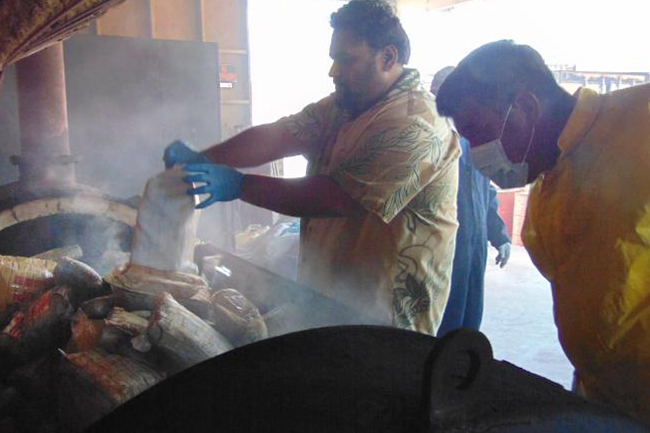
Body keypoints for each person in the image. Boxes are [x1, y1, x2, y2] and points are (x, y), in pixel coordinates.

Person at [164, 0, 460, 335]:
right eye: (333, 58)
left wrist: (238, 185)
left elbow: (335, 197)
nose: (333, 71)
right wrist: (206, 158)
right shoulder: (345, 106)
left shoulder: (416, 124)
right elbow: (280, 135)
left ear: (388, 58)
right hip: (328, 297)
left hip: (386, 317)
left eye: (346, 59)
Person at [435, 39, 650, 424]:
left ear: (527, 107)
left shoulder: (641, 124)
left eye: (478, 132)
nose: (477, 151)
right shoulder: (546, 190)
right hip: (603, 399)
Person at [429, 66, 511, 336]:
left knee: (469, 317)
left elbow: (487, 193)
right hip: (443, 247)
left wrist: (500, 236)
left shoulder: (476, 140)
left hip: (474, 246)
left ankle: (461, 368)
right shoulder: (429, 142)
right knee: (441, 319)